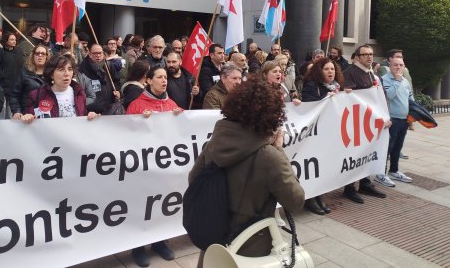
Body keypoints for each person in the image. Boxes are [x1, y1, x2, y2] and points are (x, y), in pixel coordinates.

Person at [189, 78, 305, 267]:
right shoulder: (269, 156)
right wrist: (279, 150)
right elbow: (295, 201)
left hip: (214, 246)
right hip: (250, 249)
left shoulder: (216, 142)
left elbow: (193, 179)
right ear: (270, 116)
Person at [126, 66, 181, 267]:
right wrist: (140, 123)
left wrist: (181, 117)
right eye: (159, 77)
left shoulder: (172, 104)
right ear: (148, 81)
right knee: (143, 206)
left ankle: (159, 243)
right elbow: (126, 134)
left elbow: (182, 133)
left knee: (162, 205)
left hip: (165, 168)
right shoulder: (136, 105)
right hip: (144, 167)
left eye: (165, 77)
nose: (164, 80)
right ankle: (138, 247)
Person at [342, 44, 387, 203]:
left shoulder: (372, 73)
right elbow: (348, 99)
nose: (369, 57)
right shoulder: (350, 73)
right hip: (355, 123)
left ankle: (365, 183)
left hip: (370, 122)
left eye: (371, 54)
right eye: (365, 54)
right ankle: (349, 188)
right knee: (354, 155)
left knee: (367, 153)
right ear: (357, 57)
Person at [301, 57, 344, 215]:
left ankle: (319, 196)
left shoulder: (337, 87)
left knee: (324, 166)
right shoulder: (311, 86)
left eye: (332, 69)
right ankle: (310, 199)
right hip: (315, 134)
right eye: (326, 69)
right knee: (314, 167)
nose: (330, 72)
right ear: (319, 71)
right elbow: (309, 106)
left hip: (329, 133)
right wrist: (326, 99)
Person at [15, 54, 97, 122]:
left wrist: (91, 116)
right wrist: (27, 117)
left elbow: (82, 115)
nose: (67, 73)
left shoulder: (79, 92)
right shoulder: (37, 95)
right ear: (51, 73)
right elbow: (29, 119)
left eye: (70, 69)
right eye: (61, 69)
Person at [375, 57, 414, 187]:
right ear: (390, 66)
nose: (398, 67)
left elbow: (410, 98)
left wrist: (412, 115)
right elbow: (389, 95)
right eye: (395, 65)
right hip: (391, 120)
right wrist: (397, 81)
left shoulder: (405, 81)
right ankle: (380, 173)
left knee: (397, 147)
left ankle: (394, 170)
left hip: (404, 120)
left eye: (401, 65)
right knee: (387, 147)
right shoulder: (384, 79)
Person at [9, 43, 52, 119]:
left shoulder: (51, 74)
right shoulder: (24, 73)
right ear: (33, 56)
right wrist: (17, 111)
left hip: (48, 115)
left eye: (43, 54)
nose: (40, 56)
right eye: (37, 53)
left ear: (46, 57)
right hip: (27, 116)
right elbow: (14, 95)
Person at [79, 44, 121, 114]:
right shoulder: (83, 69)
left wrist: (118, 91)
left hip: (110, 107)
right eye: (95, 53)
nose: (98, 55)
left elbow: (117, 81)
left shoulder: (109, 66)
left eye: (100, 53)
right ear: (90, 54)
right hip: (92, 109)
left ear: (103, 53)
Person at [0, 32, 21, 119]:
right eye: (12, 40)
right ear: (6, 41)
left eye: (15, 40)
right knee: (2, 107)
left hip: (14, 84)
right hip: (3, 84)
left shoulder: (17, 52)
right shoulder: (0, 52)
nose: (14, 41)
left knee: (11, 108)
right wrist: (2, 75)